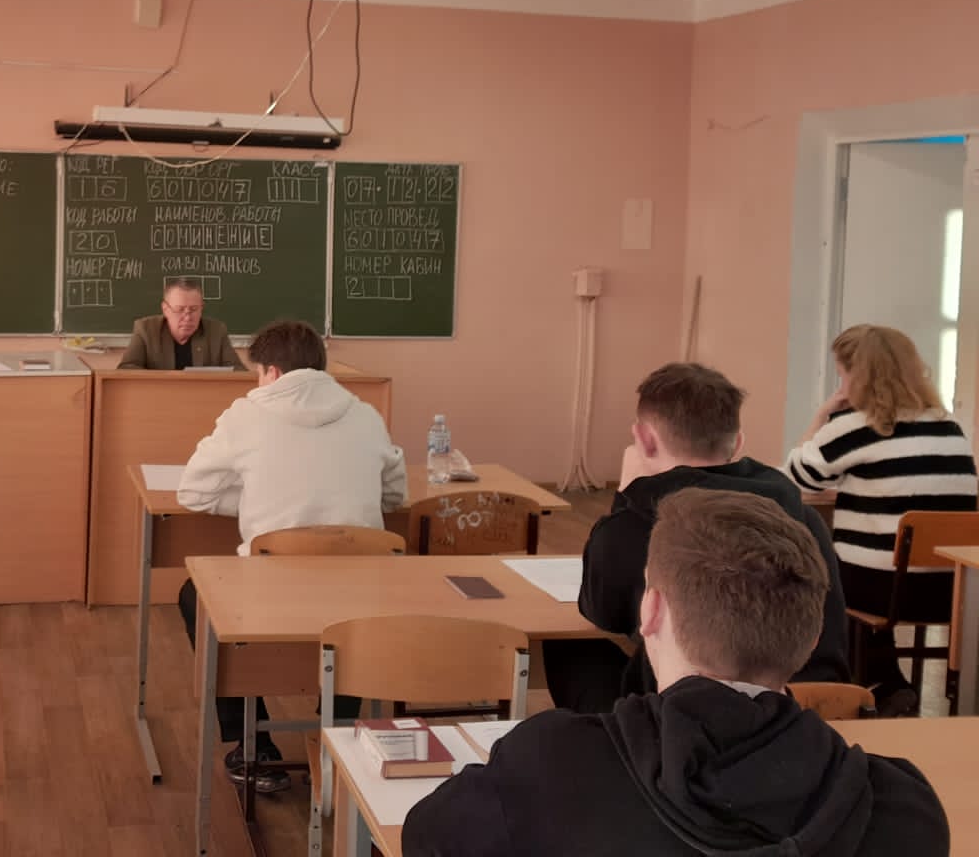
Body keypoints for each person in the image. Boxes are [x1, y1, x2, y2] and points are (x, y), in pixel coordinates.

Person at [402, 488, 950, 857]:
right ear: (811, 637)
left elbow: (424, 838)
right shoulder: (903, 811)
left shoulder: (546, 766)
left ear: (651, 609)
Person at [175, 319, 406, 792]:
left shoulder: (245, 415)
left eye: (257, 374)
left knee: (195, 596)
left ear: (273, 372)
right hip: (360, 596)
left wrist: (256, 500)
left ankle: (252, 743)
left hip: (270, 596)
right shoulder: (365, 414)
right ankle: (339, 727)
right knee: (356, 608)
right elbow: (394, 496)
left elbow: (193, 493)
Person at [546, 362, 849, 712]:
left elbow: (602, 612)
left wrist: (627, 496)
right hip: (814, 701)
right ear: (737, 443)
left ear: (644, 438)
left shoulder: (636, 524)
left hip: (681, 713)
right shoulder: (806, 518)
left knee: (564, 645)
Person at [784, 324, 977, 715]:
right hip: (953, 589)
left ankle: (866, 681)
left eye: (841, 376)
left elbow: (794, 478)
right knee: (874, 564)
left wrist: (823, 413)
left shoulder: (856, 427)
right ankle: (887, 680)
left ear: (856, 378)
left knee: (817, 574)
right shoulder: (949, 430)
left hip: (881, 590)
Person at [117, 278, 245, 370]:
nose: (187, 317)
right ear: (165, 309)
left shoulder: (216, 330)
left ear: (202, 308)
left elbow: (238, 371)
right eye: (180, 309)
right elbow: (127, 369)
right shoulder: (145, 329)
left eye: (194, 309)